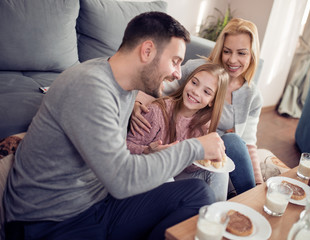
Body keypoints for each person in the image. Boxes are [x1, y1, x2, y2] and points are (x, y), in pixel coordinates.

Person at [3, 12, 227, 240]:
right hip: (51, 221)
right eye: (175, 61)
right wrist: (195, 147)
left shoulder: (125, 86)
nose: (177, 74)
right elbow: (123, 180)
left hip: (98, 201)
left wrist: (151, 153)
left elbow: (116, 160)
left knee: (199, 194)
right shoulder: (89, 88)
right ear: (147, 51)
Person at [131, 18, 263, 197]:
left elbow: (248, 144)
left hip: (215, 153)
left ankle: (251, 197)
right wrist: (135, 102)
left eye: (241, 53)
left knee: (233, 142)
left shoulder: (252, 95)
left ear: (252, 55)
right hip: (182, 148)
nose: (232, 59)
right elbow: (158, 86)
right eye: (227, 51)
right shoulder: (199, 70)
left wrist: (258, 182)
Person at [127, 63, 229, 201]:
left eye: (207, 92)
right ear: (187, 81)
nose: (196, 92)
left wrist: (202, 156)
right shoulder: (156, 112)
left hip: (175, 176)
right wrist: (146, 151)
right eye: (194, 83)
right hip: (151, 177)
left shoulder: (203, 126)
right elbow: (126, 148)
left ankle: (215, 218)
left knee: (220, 173)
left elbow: (189, 168)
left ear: (212, 102)